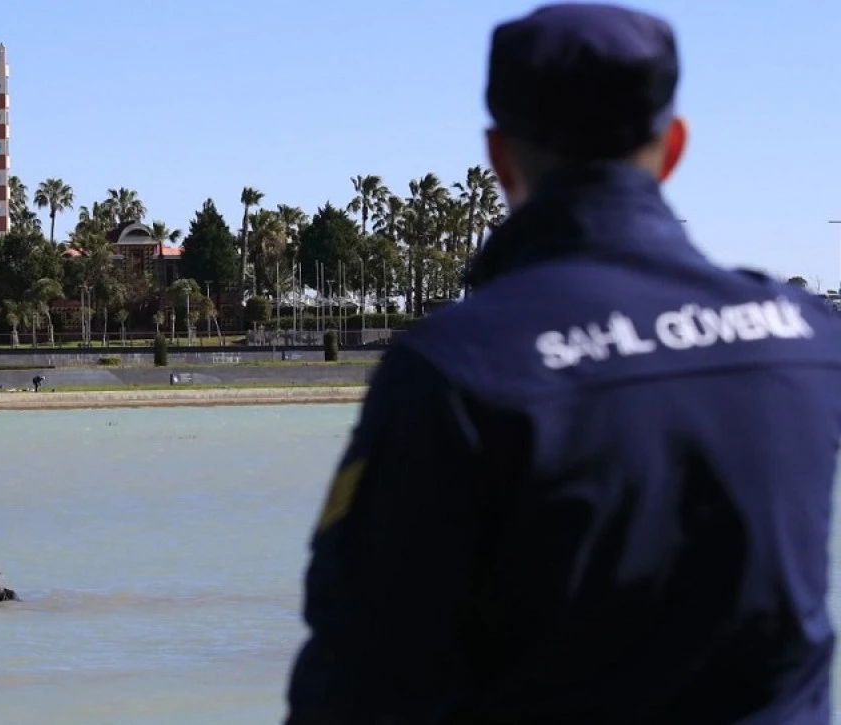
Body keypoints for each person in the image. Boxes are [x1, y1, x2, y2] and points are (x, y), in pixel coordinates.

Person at [284, 4, 841, 724]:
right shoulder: (806, 337)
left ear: (500, 157)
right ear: (674, 144)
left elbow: (361, 667)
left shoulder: (456, 368)